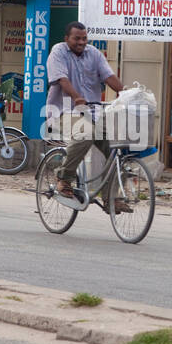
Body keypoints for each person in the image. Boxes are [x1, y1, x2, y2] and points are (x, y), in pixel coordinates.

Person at [45, 20, 127, 211]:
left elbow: (109, 77)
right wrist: (77, 98)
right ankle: (63, 178)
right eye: (76, 39)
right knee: (86, 134)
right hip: (64, 111)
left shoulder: (94, 54)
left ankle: (111, 198)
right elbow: (62, 79)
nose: (81, 42)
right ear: (67, 39)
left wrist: (128, 95)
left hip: (93, 112)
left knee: (117, 145)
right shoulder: (58, 51)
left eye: (84, 39)